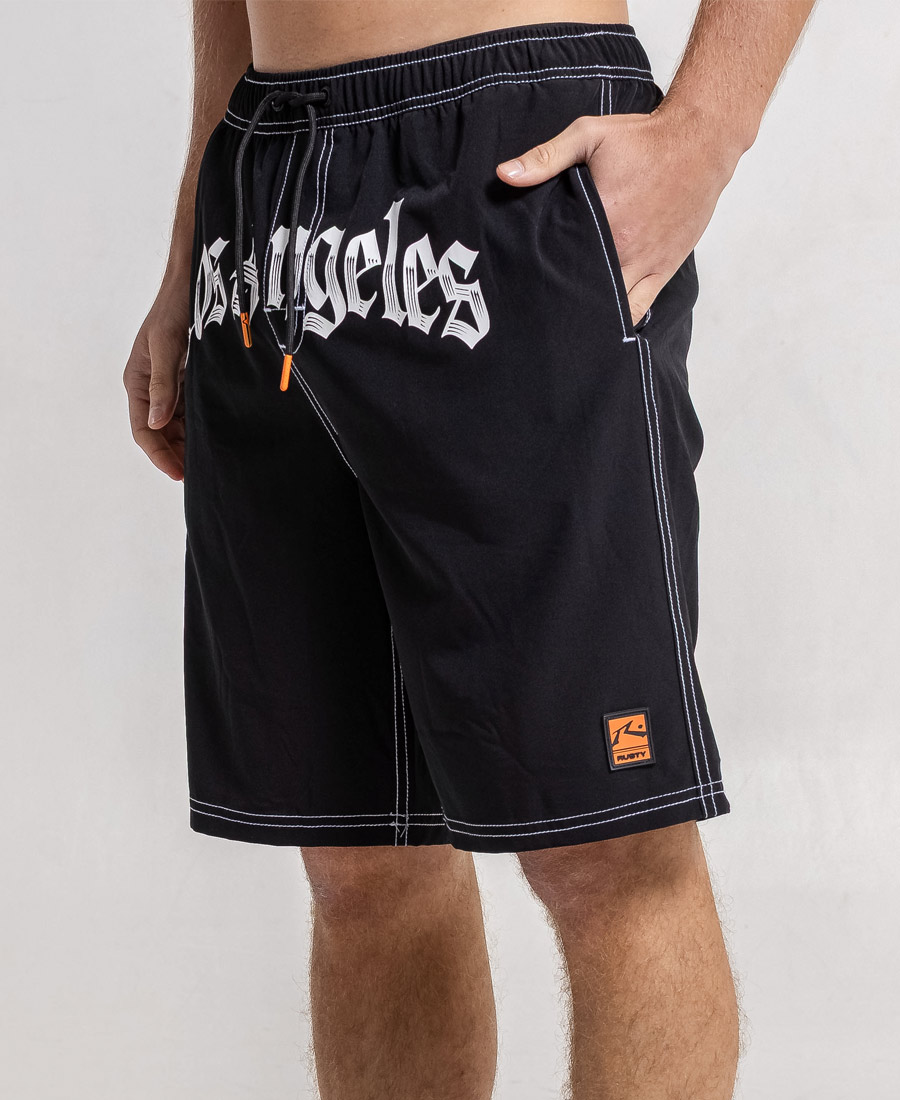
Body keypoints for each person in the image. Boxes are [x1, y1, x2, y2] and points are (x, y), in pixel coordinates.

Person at [124, 2, 815, 1096]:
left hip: (511, 152)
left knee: (607, 851)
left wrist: (706, 133)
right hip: (264, 195)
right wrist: (190, 245)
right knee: (360, 860)